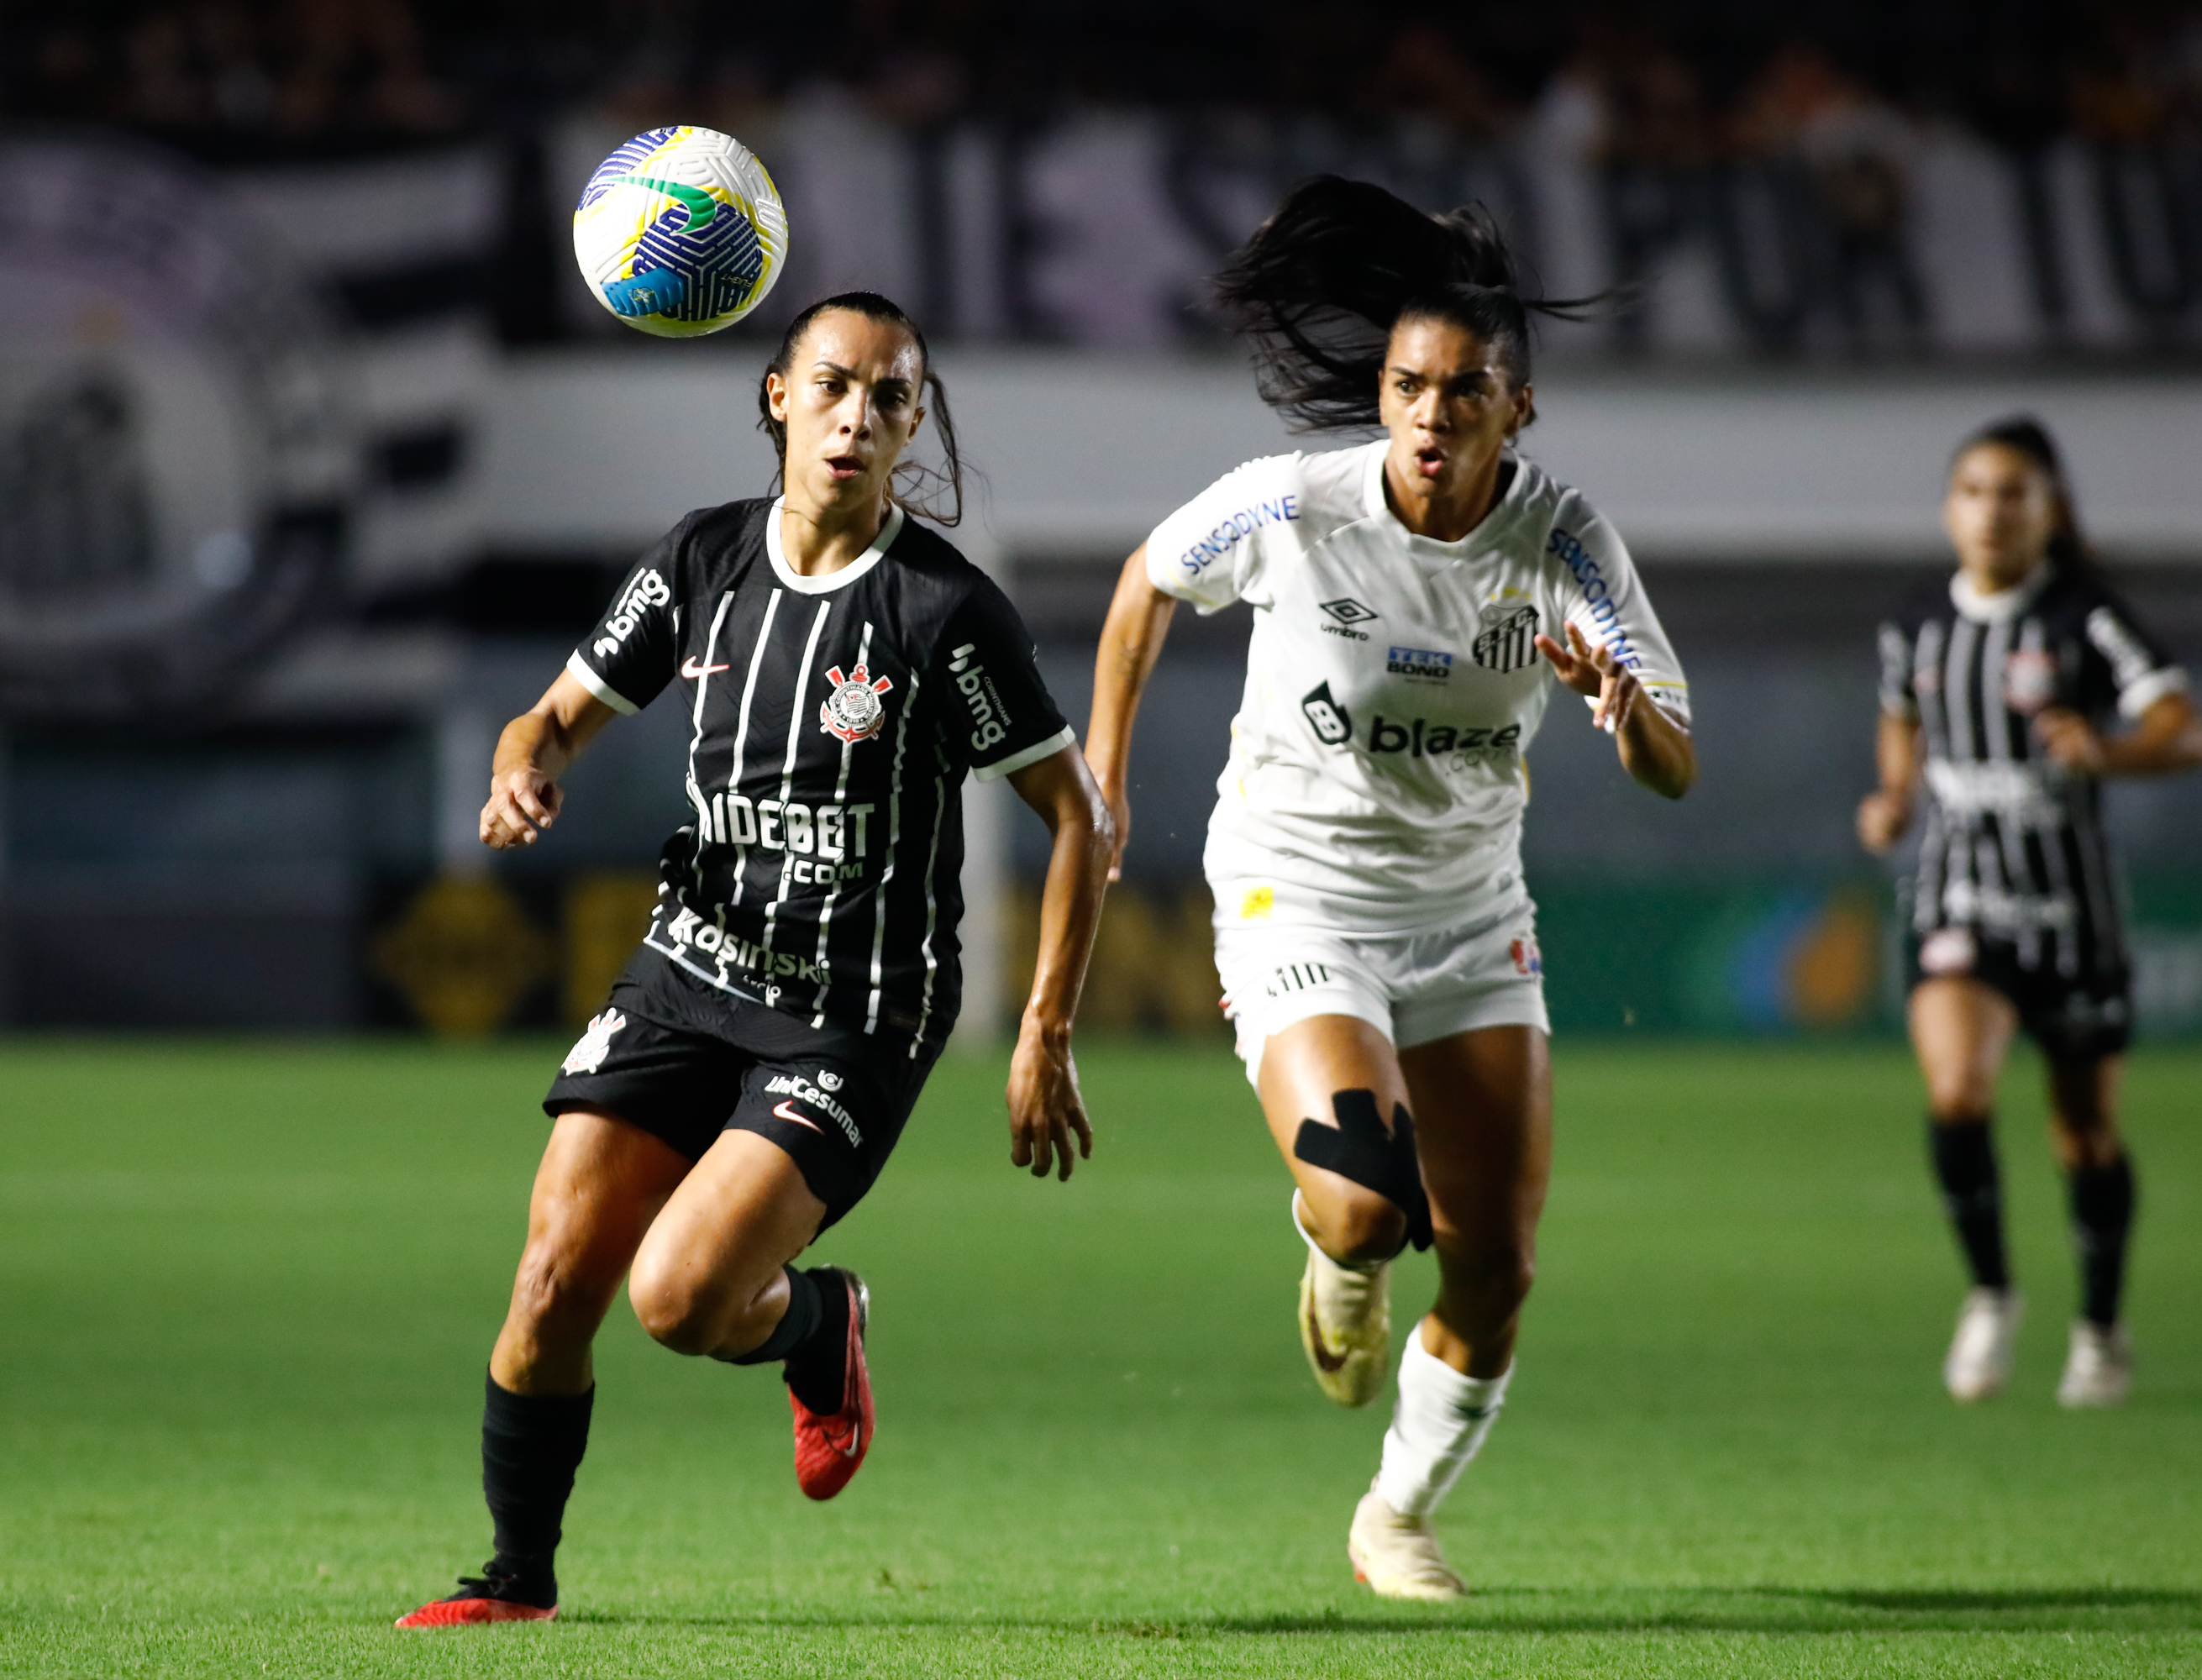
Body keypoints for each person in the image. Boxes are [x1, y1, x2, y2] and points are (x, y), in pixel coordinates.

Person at [397, 291, 1112, 1628]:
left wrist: (1043, 1030)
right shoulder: (702, 562)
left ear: (912, 426)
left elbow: (1078, 815)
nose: (858, 417)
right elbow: (545, 719)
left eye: (890, 398)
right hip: (688, 968)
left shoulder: (943, 614)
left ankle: (815, 1321)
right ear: (778, 396)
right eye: (833, 385)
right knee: (554, 1277)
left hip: (850, 1019)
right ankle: (515, 1583)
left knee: (676, 1300)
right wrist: (519, 774)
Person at [1085, 177, 1695, 1601]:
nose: (1429, 417)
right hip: (1295, 892)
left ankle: (1397, 1516)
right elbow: (1143, 585)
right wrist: (1103, 776)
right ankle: (1338, 1255)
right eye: (1407, 387)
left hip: (1472, 918)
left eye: (1464, 392)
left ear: (1516, 411)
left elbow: (1675, 765)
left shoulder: (1563, 547)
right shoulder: (1293, 503)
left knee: (1494, 1274)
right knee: (1367, 1207)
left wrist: (1626, 711)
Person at [1858, 416, 2199, 1410]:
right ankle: (1991, 1292)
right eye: (1973, 490)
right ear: (1948, 507)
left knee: (2084, 1135)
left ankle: (2097, 1324)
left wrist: (2111, 749)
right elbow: (1899, 720)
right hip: (1957, 891)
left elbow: (2177, 724)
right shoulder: (1915, 622)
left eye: (2014, 492)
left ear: (2048, 511)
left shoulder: (2086, 616)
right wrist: (1892, 797)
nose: (1991, 510)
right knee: (1957, 1089)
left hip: (2071, 908)